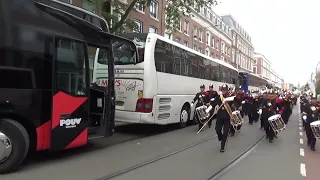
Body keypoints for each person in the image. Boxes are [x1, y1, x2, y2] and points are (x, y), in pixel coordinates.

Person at [209, 84, 234, 152]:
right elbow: (213, 104)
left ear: (227, 90)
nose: (223, 91)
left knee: (225, 132)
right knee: (217, 130)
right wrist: (208, 110)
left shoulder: (230, 97)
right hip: (220, 117)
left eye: (224, 90)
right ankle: (220, 137)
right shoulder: (219, 97)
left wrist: (225, 100)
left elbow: (232, 100)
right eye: (222, 90)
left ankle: (222, 146)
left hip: (227, 117)